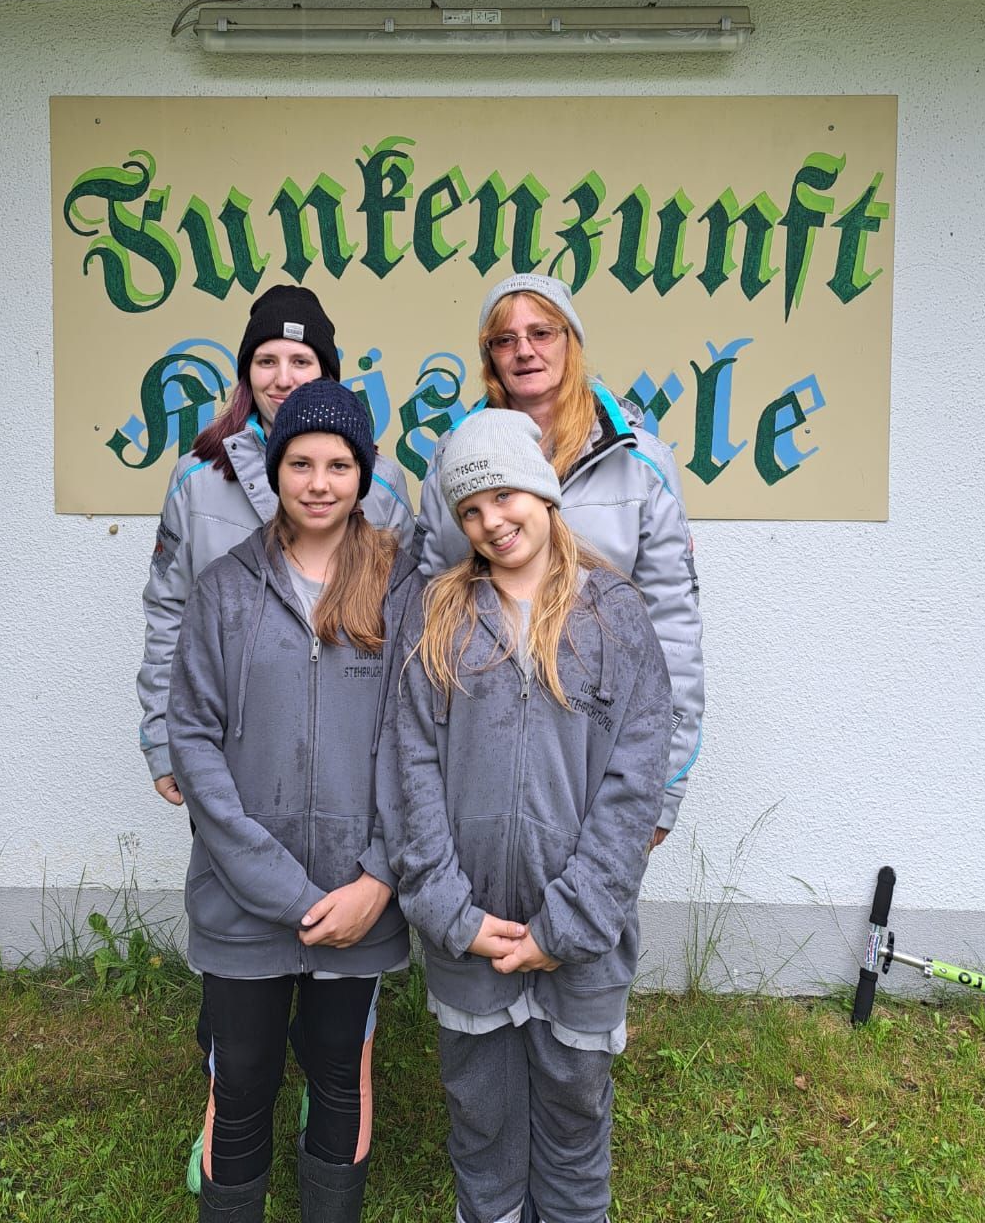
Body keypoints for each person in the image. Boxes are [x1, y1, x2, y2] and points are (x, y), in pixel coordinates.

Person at [387, 410, 672, 1223]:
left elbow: (634, 784)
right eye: (471, 510)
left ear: (544, 493)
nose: (492, 522)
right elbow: (409, 770)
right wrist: (451, 912)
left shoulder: (615, 615)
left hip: (581, 938)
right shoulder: (438, 615)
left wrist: (567, 923)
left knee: (574, 1110)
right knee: (479, 1113)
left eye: (505, 496)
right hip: (470, 929)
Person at [168, 379, 419, 1223]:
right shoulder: (225, 589)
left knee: (339, 1071)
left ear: (363, 474)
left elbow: (421, 744)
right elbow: (193, 736)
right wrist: (278, 887)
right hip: (242, 898)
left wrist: (378, 878)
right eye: (300, 463)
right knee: (242, 1076)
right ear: (274, 470)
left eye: (338, 465)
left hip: (360, 896)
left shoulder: (401, 588)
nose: (319, 482)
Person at [413, 272, 701, 845]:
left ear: (571, 339)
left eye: (541, 332)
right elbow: (427, 606)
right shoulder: (452, 459)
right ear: (489, 357)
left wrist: (661, 786)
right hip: (480, 749)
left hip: (597, 746)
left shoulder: (639, 462)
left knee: (592, 890)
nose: (524, 350)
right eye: (505, 339)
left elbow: (673, 627)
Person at [138, 283, 414, 800]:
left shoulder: (382, 483)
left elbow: (407, 627)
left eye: (301, 361)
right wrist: (162, 737)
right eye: (266, 361)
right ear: (246, 372)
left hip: (349, 760)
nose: (283, 379)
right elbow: (169, 612)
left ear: (327, 373)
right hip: (229, 748)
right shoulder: (195, 478)